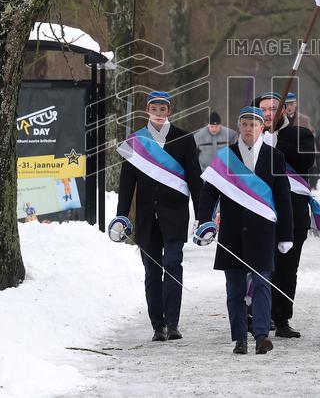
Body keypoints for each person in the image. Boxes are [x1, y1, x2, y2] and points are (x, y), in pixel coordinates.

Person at [194, 106, 294, 355]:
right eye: (245, 124)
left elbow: (283, 198)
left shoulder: (275, 157)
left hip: (263, 233)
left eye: (254, 124)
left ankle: (261, 336)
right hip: (232, 234)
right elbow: (209, 193)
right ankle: (240, 337)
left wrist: (286, 234)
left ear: (263, 128)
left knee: (262, 285)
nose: (249, 129)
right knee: (235, 290)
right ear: (240, 127)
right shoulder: (225, 157)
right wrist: (203, 221)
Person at [112, 91, 203, 342]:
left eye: (163, 109)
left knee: (173, 266)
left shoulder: (184, 138)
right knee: (152, 272)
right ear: (147, 110)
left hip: (174, 216)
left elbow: (195, 180)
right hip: (145, 218)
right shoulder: (136, 141)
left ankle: (173, 323)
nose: (159, 113)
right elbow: (127, 183)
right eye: (154, 108)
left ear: (169, 112)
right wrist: (121, 216)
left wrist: (203, 214)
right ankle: (157, 325)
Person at [254, 92, 316, 338]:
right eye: (264, 109)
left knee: (288, 268)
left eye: (273, 109)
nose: (268, 113)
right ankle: (260, 315)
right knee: (260, 266)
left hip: (293, 213)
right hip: (259, 213)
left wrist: (277, 144)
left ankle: (281, 319)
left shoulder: (301, 135)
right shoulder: (249, 137)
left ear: (284, 111)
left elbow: (306, 162)